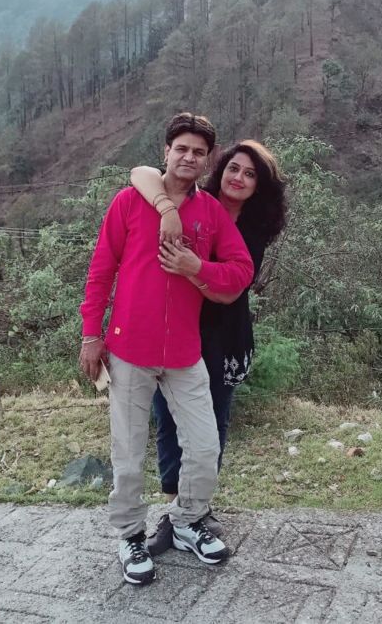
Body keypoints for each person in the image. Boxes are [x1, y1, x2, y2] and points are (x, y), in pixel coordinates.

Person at [79, 113, 254, 586]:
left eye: (199, 152)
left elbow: (241, 271)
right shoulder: (128, 202)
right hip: (128, 349)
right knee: (128, 452)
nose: (189, 157)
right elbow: (101, 270)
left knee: (205, 445)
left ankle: (187, 522)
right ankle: (130, 535)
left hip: (184, 353)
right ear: (166, 152)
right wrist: (91, 334)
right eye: (182, 148)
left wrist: (198, 267)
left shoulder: (211, 213)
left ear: (207, 160)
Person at [130, 140, 286, 553]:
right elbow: (140, 174)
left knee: (211, 423)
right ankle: (174, 508)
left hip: (224, 336)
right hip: (176, 329)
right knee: (167, 419)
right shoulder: (194, 202)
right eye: (234, 168)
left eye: (250, 174)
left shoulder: (253, 230)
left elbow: (230, 291)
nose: (239, 178)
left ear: (259, 186)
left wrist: (191, 268)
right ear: (220, 170)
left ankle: (194, 508)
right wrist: (166, 209)